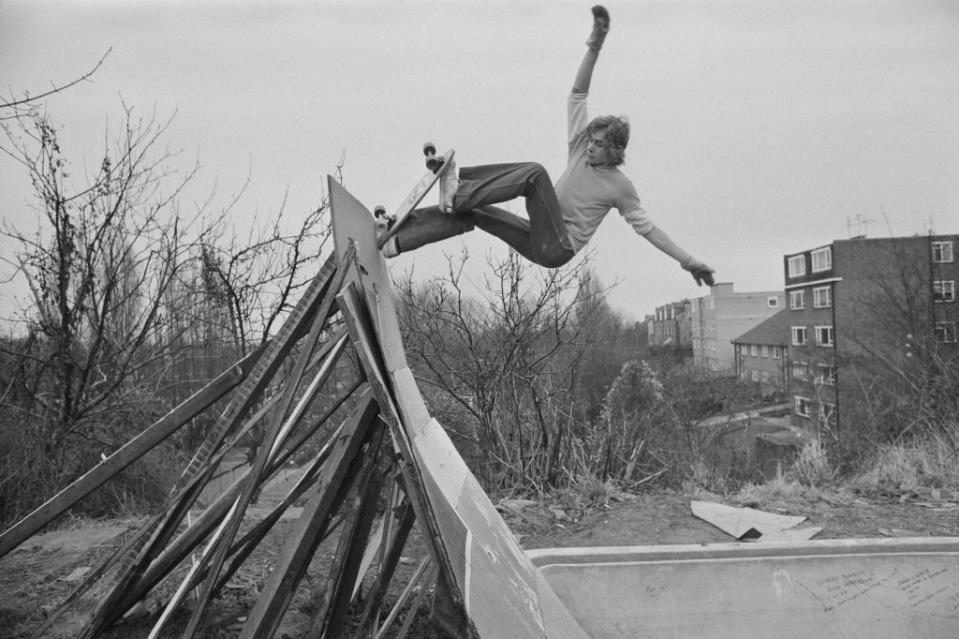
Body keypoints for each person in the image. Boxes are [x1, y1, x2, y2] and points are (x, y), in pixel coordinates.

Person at [381, 5, 716, 287]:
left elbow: (649, 230)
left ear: (615, 151)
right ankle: (398, 239)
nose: (589, 149)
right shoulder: (580, 147)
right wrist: (595, 45)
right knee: (473, 214)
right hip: (538, 237)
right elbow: (578, 95)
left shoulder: (621, 187)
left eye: (598, 146)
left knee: (534, 175)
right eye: (590, 142)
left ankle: (459, 190)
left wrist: (688, 261)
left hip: (558, 247)